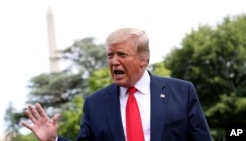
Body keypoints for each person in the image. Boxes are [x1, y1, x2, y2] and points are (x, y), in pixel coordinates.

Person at [22, 28, 212, 141]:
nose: (114, 62)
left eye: (122, 54)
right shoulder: (94, 104)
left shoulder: (182, 92)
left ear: (143, 60)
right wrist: (53, 139)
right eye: (110, 55)